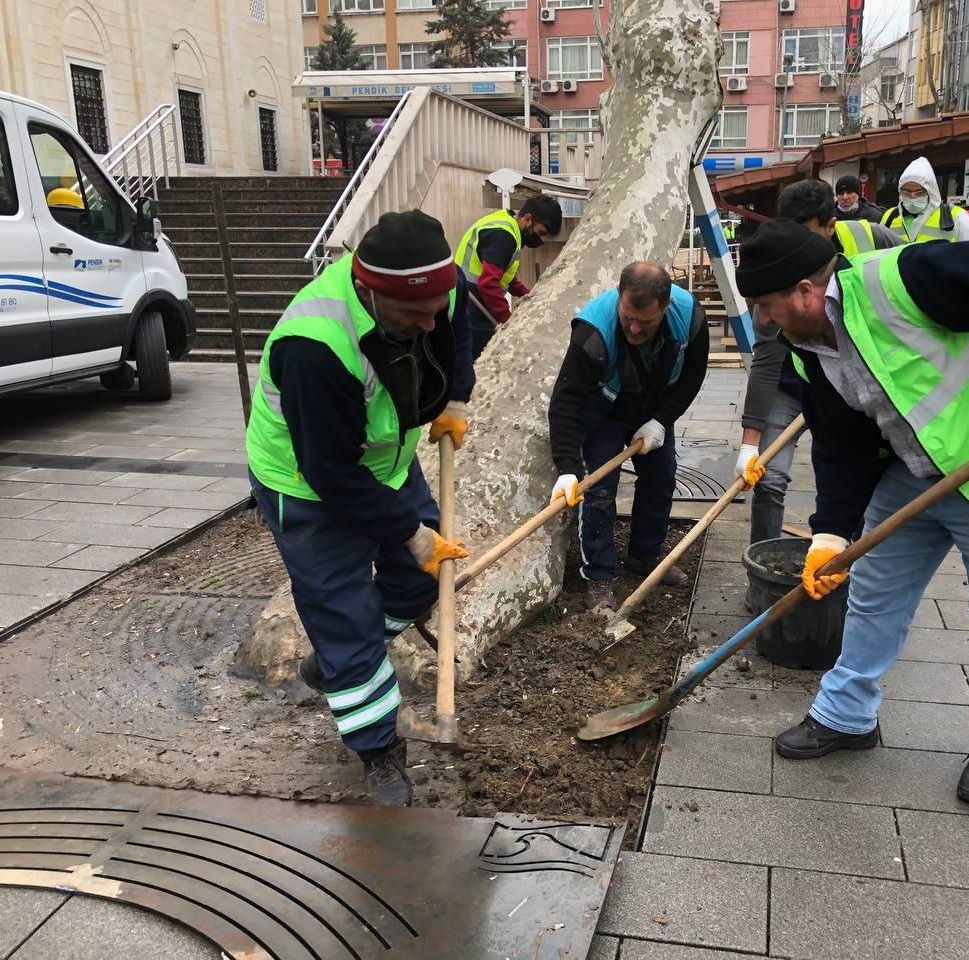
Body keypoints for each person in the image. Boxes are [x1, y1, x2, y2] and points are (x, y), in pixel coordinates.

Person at [734, 219, 969, 806]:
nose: (764, 320)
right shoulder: (808, 349)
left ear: (805, 292)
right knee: (872, 595)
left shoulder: (902, 280)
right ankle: (846, 715)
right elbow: (840, 443)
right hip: (913, 475)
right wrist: (829, 536)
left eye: (766, 305)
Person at [245, 210, 475, 807]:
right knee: (342, 608)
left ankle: (340, 663)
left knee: (419, 581)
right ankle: (379, 753)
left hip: (384, 463)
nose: (428, 323)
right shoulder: (315, 345)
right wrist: (409, 530)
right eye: (411, 316)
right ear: (369, 291)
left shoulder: (429, 292)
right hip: (307, 486)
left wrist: (454, 397)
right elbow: (332, 474)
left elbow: (459, 322)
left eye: (435, 308)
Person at [735, 180, 905, 593]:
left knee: (863, 485)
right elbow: (767, 358)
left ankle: (850, 567)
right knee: (771, 480)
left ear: (830, 225)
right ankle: (766, 576)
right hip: (798, 384)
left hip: (858, 386)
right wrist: (750, 442)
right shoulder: (776, 281)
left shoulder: (873, 248)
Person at [548, 262, 709, 612]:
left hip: (652, 406)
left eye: (646, 322)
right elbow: (566, 401)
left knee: (661, 477)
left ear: (665, 307)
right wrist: (566, 466)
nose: (634, 328)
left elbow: (693, 376)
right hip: (605, 409)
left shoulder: (690, 318)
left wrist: (662, 421)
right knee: (600, 490)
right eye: (628, 317)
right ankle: (599, 575)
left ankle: (644, 555)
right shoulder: (593, 331)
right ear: (620, 299)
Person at [456, 194, 564, 359]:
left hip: (470, 297)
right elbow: (489, 283)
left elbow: (502, 274)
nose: (541, 240)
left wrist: (526, 294)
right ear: (527, 219)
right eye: (541, 233)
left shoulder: (506, 224)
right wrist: (508, 320)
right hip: (473, 304)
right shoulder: (504, 236)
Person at [881, 157, 969, 243]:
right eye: (907, 192)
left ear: (930, 192)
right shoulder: (889, 216)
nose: (912, 196)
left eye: (919, 192)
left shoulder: (955, 217)